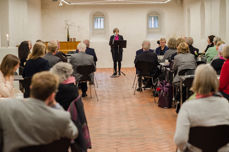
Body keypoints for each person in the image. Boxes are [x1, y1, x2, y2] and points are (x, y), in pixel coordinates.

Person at [0, 72, 78, 152]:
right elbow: (74, 133)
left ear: (31, 88)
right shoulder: (62, 117)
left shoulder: (6, 106)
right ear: (52, 95)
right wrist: (56, 106)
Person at [174, 64, 229, 152]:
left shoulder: (187, 107)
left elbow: (179, 139)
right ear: (215, 81)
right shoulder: (225, 103)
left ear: (196, 82)